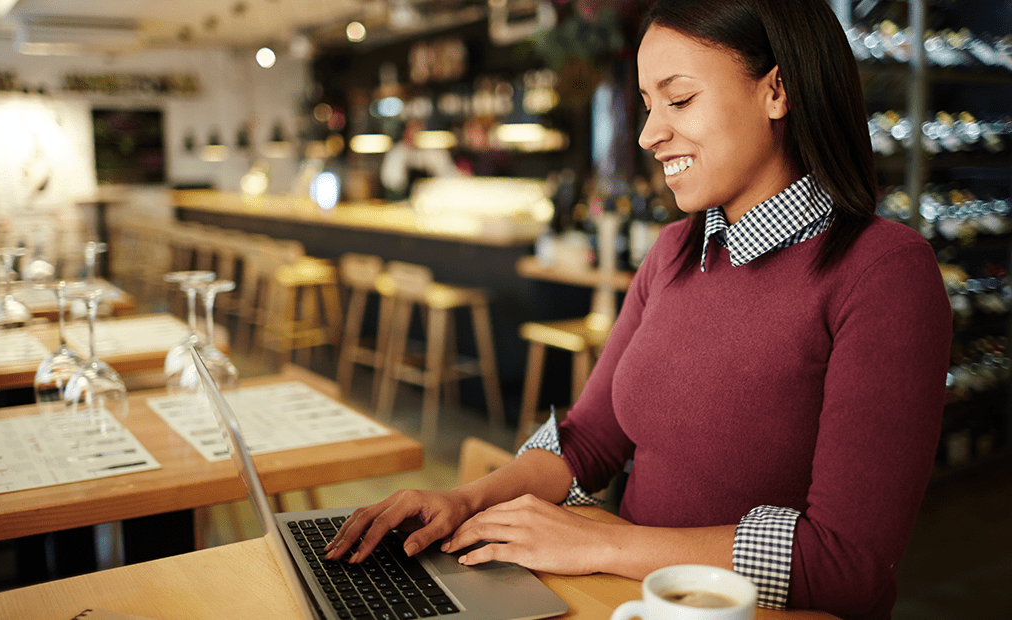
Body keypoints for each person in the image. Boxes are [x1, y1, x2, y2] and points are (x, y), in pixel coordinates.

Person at [326, 1, 952, 617]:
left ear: (777, 91)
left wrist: (601, 542)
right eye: (649, 104)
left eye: (679, 99)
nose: (650, 134)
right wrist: (464, 501)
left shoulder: (885, 272)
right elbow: (588, 440)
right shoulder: (674, 250)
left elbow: (845, 564)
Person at [380, 118, 460, 200]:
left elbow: (448, 175)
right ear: (405, 133)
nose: (415, 133)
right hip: (403, 200)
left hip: (431, 199)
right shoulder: (396, 153)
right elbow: (391, 182)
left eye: (419, 129)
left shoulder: (434, 151)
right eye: (412, 130)